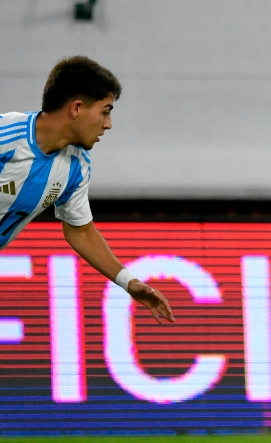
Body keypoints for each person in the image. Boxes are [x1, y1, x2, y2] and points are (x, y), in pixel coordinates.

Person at [0, 56, 175, 322]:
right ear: (77, 108)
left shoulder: (77, 165)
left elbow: (80, 231)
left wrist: (129, 282)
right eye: (105, 111)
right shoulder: (6, 135)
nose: (108, 123)